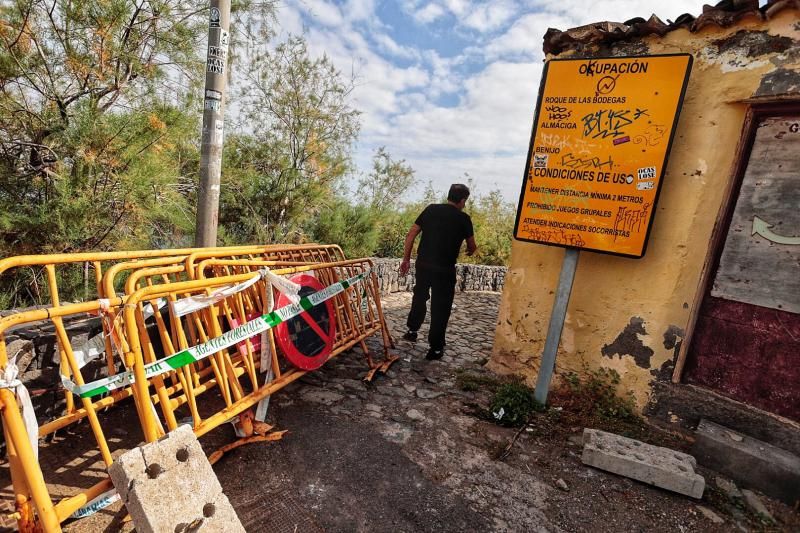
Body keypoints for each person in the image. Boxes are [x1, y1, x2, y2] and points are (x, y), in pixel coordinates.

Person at [399, 183, 477, 360]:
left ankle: (412, 330)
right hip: (444, 269)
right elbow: (472, 246)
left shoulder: (431, 209)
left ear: (449, 195)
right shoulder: (464, 218)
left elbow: (411, 234)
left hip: (423, 265)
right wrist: (470, 250)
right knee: (441, 307)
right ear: (463, 200)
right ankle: (435, 348)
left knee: (419, 296)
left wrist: (406, 259)